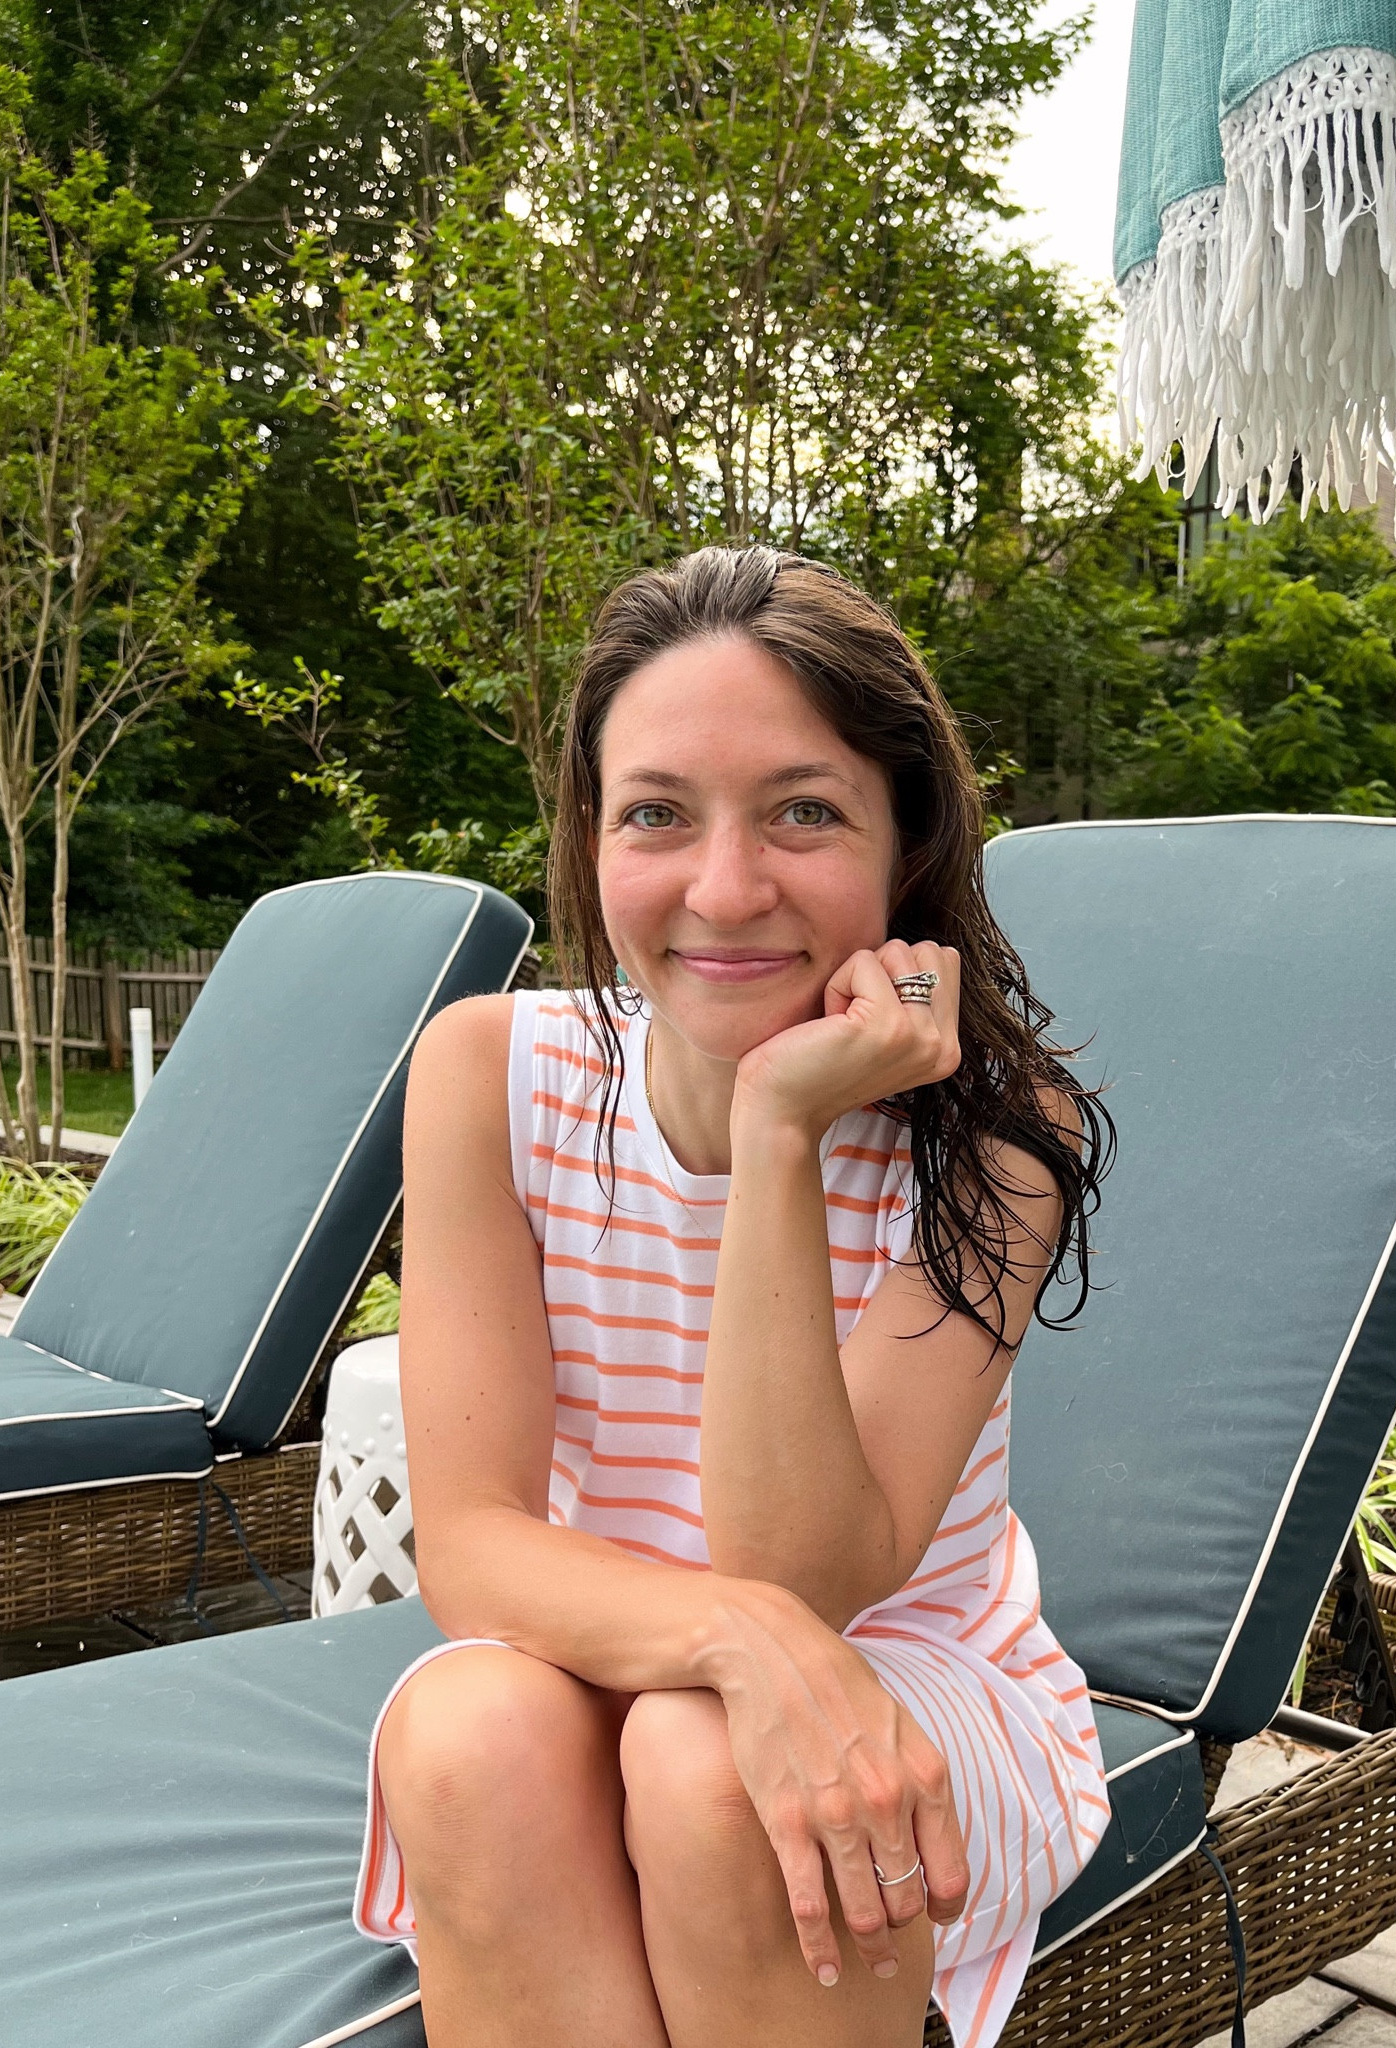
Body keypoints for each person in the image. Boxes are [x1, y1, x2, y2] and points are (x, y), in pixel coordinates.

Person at [354, 548, 1112, 2048]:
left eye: (804, 811)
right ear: (590, 837)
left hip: (918, 1681)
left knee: (710, 1774)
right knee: (463, 1725)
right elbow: (479, 1545)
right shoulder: (489, 1073)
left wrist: (778, 1131)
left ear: (906, 839)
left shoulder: (1009, 1133)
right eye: (657, 815)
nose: (723, 888)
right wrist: (733, 1647)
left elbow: (807, 1575)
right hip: (612, 1649)